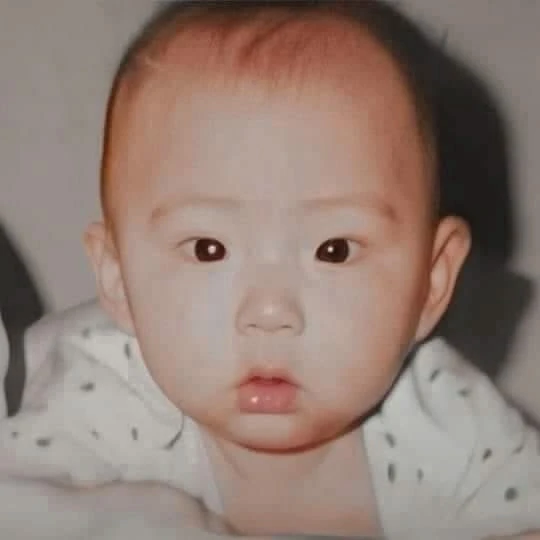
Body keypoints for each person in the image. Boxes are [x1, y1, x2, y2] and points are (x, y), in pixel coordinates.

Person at [1, 2, 539, 539]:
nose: (270, 311)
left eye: (334, 250)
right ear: (118, 277)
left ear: (431, 282)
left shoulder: (447, 420)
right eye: (208, 248)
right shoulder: (98, 406)